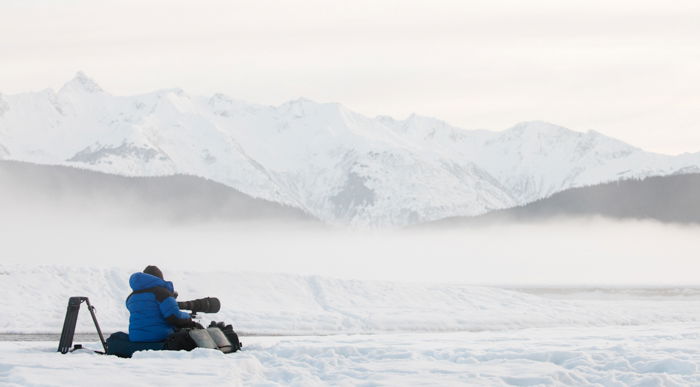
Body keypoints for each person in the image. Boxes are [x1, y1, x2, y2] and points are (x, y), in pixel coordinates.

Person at [126, 265, 201, 342]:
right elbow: (175, 317)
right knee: (194, 328)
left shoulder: (131, 297)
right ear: (159, 278)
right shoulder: (161, 293)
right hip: (158, 337)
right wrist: (188, 317)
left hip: (136, 338)